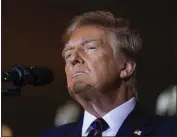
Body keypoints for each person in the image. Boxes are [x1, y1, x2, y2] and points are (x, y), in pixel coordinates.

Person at [41, 11, 176, 136]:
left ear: (126, 67)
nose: (72, 59)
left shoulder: (168, 131)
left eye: (90, 48)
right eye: (68, 54)